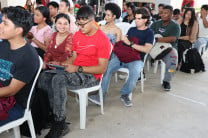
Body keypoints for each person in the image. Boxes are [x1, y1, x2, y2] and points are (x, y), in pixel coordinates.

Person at [38, 5, 111, 138]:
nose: (80, 27)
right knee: (43, 77)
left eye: (83, 25)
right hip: (75, 70)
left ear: (92, 21)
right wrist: (66, 64)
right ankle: (51, 114)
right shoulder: (78, 34)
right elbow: (75, 56)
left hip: (91, 75)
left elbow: (102, 68)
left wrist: (77, 68)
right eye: (78, 24)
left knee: (58, 80)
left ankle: (60, 123)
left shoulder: (103, 40)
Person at [99, 8, 154, 107]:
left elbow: (146, 49)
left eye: (139, 19)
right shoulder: (132, 29)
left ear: (145, 20)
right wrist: (123, 41)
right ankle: (101, 95)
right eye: (136, 18)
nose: (136, 21)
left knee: (135, 73)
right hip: (123, 56)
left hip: (136, 59)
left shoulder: (149, 33)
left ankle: (125, 94)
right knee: (106, 68)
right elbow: (125, 43)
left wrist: (130, 43)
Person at [0, 6, 39, 126]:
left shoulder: (28, 57)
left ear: (18, 31)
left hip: (14, 104)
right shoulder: (4, 45)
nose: (0, 25)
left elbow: (11, 90)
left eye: (5, 23)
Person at [150, 5, 181, 91]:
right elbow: (149, 34)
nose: (163, 15)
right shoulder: (156, 23)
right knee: (138, 53)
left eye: (166, 13)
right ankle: (140, 75)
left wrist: (157, 39)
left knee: (173, 63)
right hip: (154, 46)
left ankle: (167, 81)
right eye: (162, 13)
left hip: (169, 48)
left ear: (171, 14)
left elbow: (172, 38)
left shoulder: (175, 26)